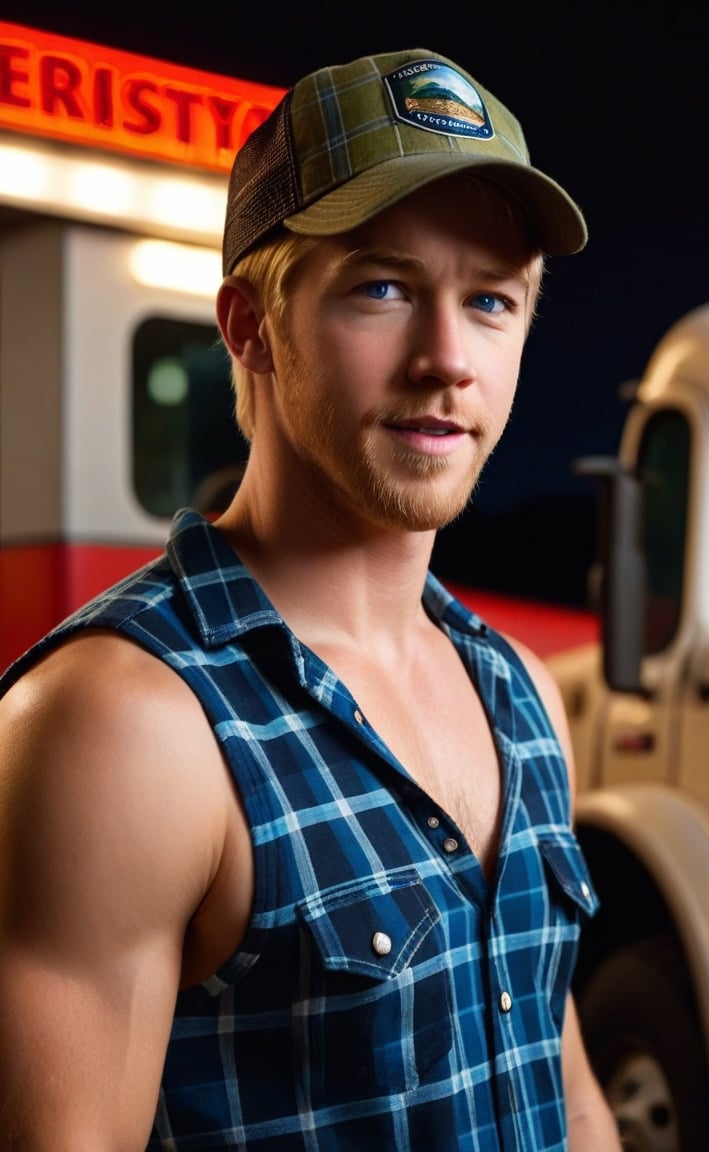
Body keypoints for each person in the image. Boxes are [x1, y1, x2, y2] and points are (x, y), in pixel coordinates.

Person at [0, 48, 621, 1151]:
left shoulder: (526, 697)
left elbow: (565, 1094)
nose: (446, 359)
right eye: (382, 287)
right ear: (249, 327)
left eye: (490, 300)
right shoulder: (120, 727)